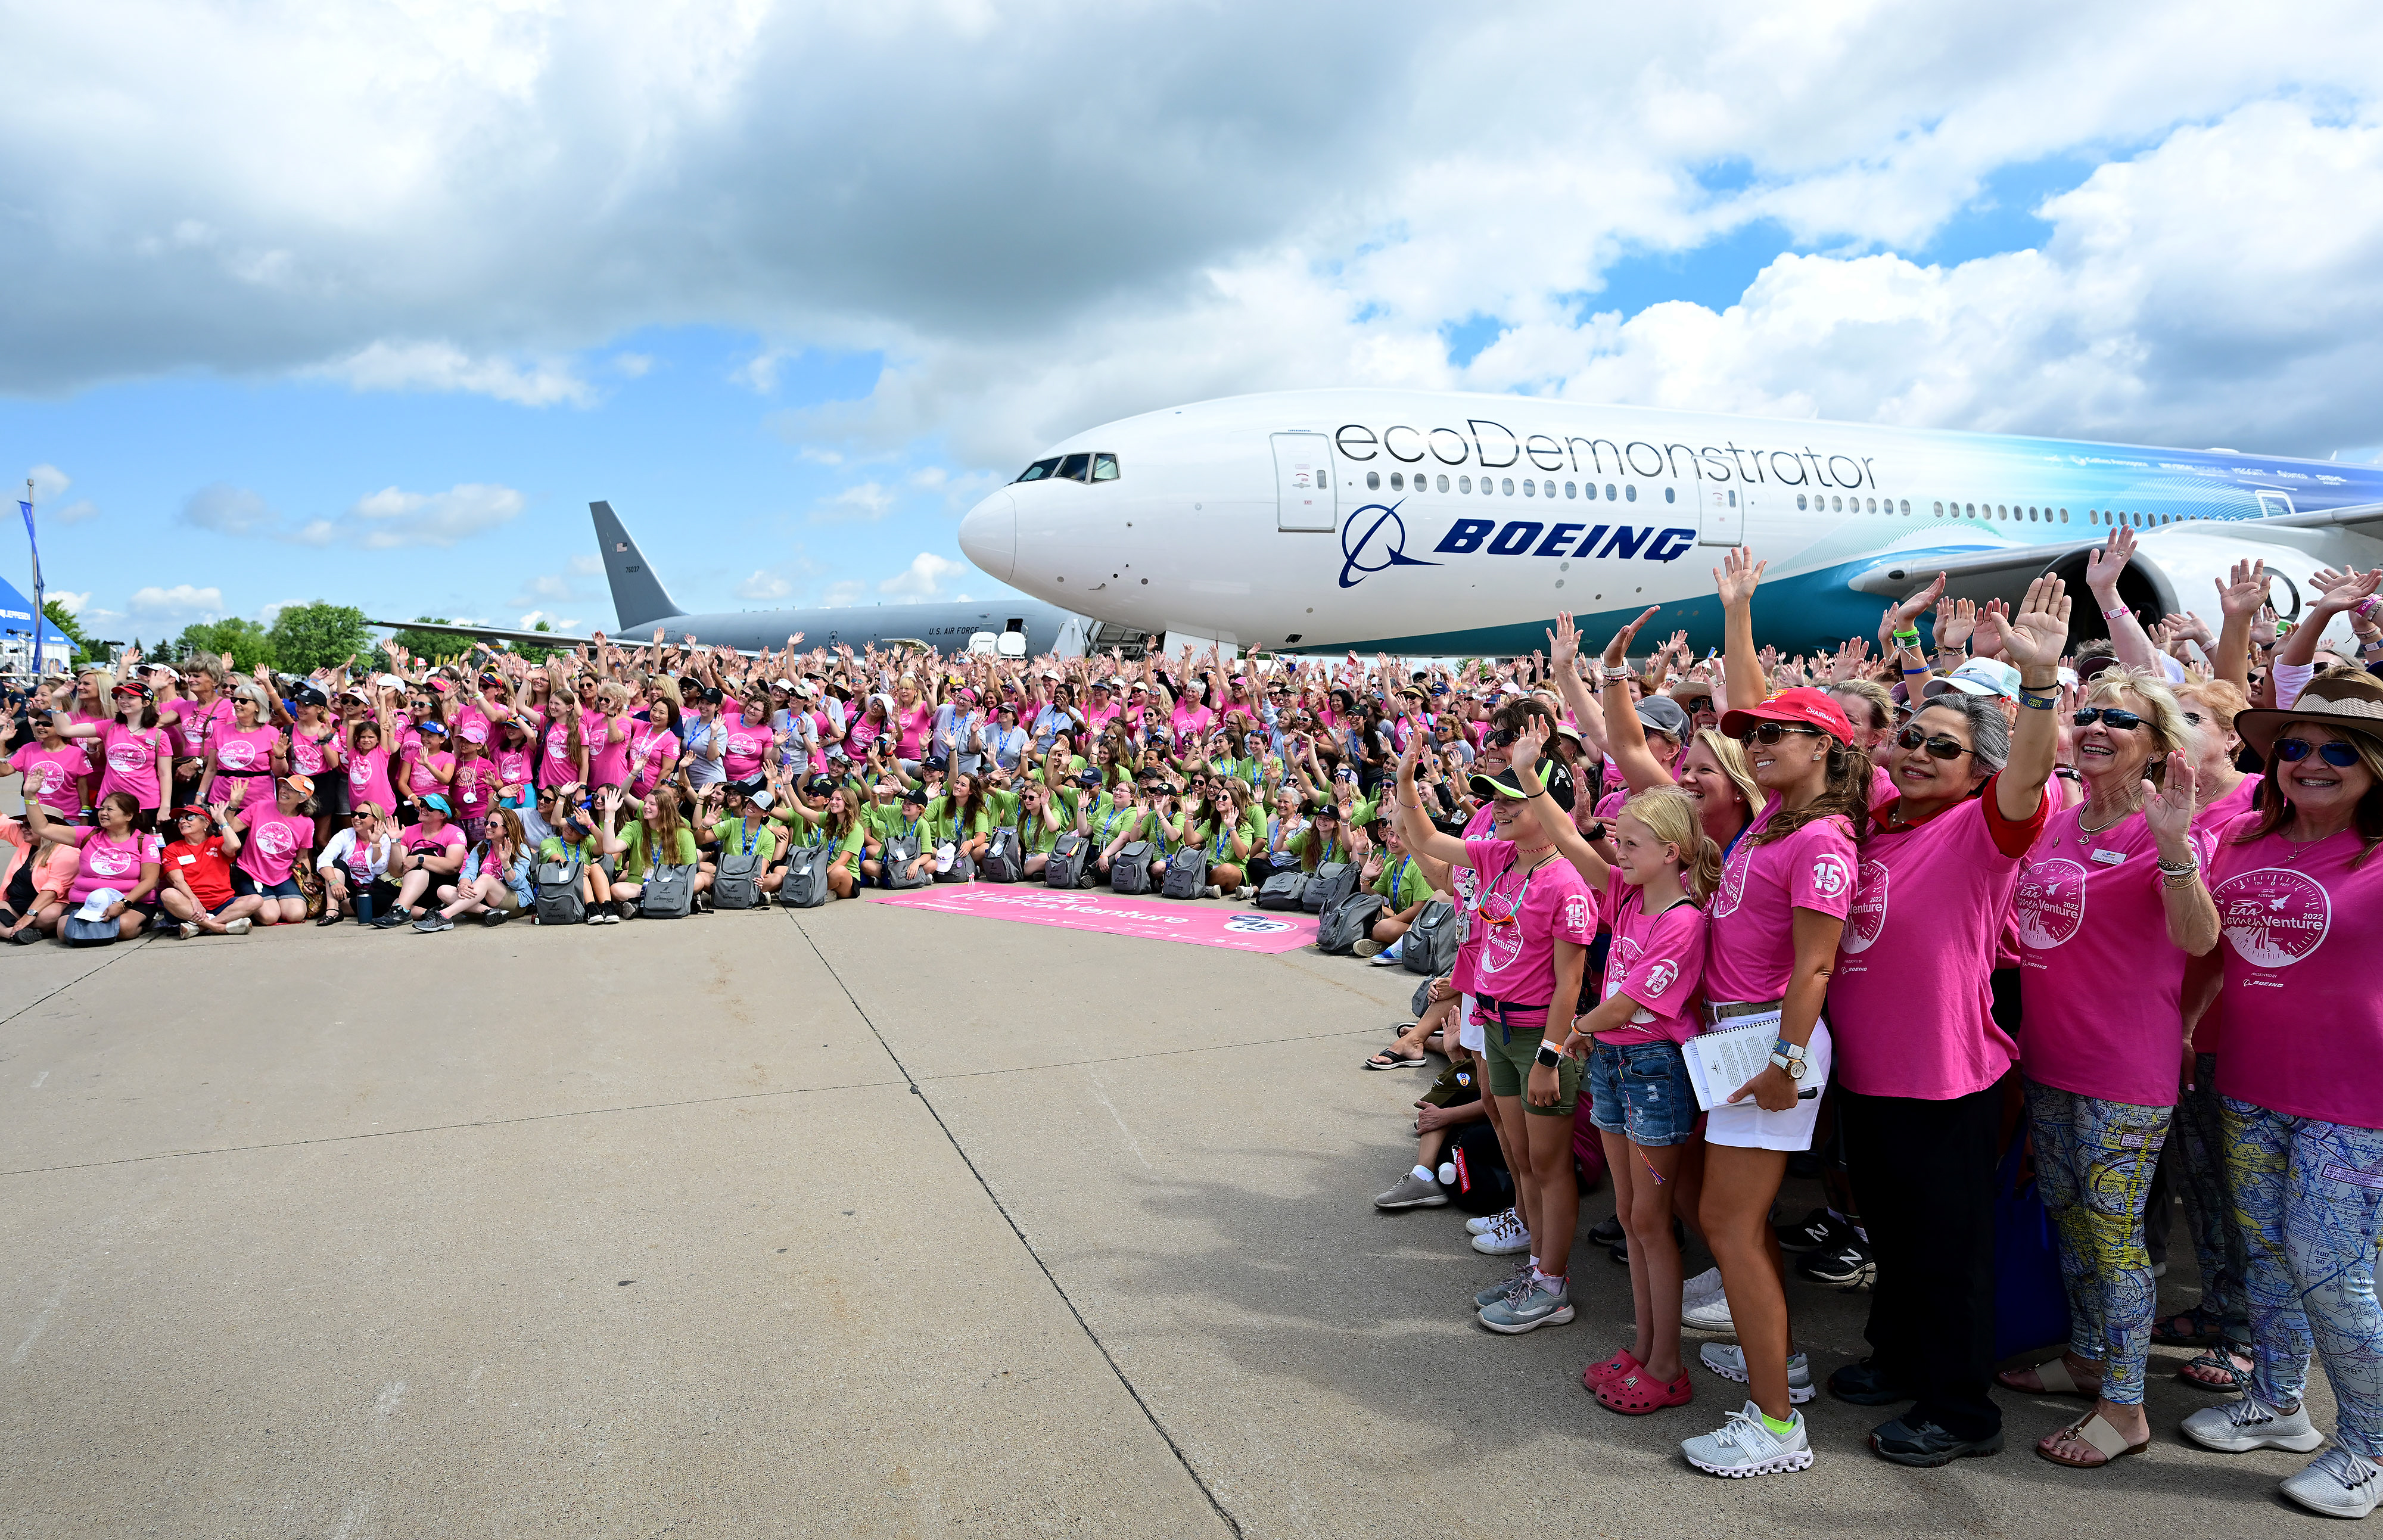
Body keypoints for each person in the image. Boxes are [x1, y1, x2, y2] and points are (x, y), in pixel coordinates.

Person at [1822, 575, 2067, 1466]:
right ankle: (1899, 1358)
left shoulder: (1981, 831)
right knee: (1891, 1234)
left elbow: (2030, 772)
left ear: (1979, 772)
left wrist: (2036, 685)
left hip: (1945, 1080)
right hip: (1869, 1074)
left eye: (1945, 747)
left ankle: (1961, 1411)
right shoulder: (1878, 824)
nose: (1919, 752)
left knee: (1947, 1251)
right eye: (1913, 736)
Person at [1994, 668, 2219, 1467]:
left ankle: (2125, 1406)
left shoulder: (2174, 826)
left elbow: (2198, 940)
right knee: (2068, 1212)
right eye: (2085, 712)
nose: (2095, 726)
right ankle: (2089, 1356)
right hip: (2050, 1057)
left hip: (2127, 1069)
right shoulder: (2061, 814)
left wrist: (2173, 852)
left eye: (2119, 718)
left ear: (2157, 743)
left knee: (2114, 1233)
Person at [2179, 669, 2383, 1518]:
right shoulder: (2247, 843)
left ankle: (2369, 1448)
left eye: (2339, 749)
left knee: (2331, 1271)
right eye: (2294, 746)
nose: (2310, 761)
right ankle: (2278, 1401)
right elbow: (2211, 955)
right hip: (2253, 1084)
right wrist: (2184, 1034)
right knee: (2264, 1254)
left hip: (2356, 1099)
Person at [1513, 724, 1715, 1416]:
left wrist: (1569, 1032)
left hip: (1653, 1069)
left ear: (1671, 851)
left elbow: (1629, 1001)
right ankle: (1644, 1349)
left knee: (1652, 1223)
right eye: (1617, 841)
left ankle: (1667, 1364)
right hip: (1617, 1064)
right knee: (1630, 1215)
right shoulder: (1628, 896)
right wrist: (1531, 777)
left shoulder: (1684, 919)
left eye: (1628, 843)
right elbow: (1570, 842)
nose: (1614, 851)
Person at [1393, 729, 1592, 1336]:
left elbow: (1569, 986)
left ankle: (1554, 1287)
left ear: (1546, 808)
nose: (1497, 807)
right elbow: (1425, 838)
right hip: (1497, 1027)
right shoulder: (1496, 856)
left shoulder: (1565, 881)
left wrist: (1549, 1059)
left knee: (1550, 1167)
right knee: (1524, 1160)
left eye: (1511, 798)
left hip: (1538, 1040)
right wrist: (1405, 783)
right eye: (1494, 798)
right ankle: (1537, 1265)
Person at [156, 802, 260, 937]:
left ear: (206, 823)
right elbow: (177, 881)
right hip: (189, 906)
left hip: (223, 904)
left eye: (190, 817)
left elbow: (235, 845)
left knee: (256, 900)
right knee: (168, 894)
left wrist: (222, 820)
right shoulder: (172, 849)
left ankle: (201, 927)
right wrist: (194, 901)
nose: (183, 821)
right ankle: (219, 928)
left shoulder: (217, 842)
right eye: (180, 819)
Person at [226, 774, 316, 928]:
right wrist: (233, 805)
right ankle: (247, 902)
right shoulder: (260, 806)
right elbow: (230, 828)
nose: (284, 791)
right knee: (270, 917)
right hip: (252, 873)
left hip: (282, 875)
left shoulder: (307, 823)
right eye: (284, 787)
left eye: (291, 790)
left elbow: (303, 857)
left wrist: (309, 879)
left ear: (302, 799)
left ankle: (269, 900)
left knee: (296, 915)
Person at [430, 807, 533, 926]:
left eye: (494, 824)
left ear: (506, 829)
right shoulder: (481, 847)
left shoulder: (521, 849)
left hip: (515, 900)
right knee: (443, 891)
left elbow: (516, 883)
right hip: (484, 899)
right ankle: (489, 912)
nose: (488, 827)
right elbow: (469, 872)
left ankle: (444, 915)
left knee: (485, 879)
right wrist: (463, 884)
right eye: (486, 823)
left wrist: (506, 864)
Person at [385, 792, 468, 930]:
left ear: (443, 815)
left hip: (449, 885)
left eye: (430, 808)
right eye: (423, 804)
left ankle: (402, 910)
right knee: (381, 898)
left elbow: (454, 866)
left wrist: (420, 859)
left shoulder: (455, 832)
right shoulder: (409, 831)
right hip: (420, 886)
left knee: (420, 854)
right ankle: (425, 913)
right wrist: (395, 842)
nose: (423, 808)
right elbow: (396, 871)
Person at [317, 802, 400, 923]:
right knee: (337, 864)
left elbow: (379, 870)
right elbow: (324, 860)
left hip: (373, 889)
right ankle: (333, 910)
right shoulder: (345, 834)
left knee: (383, 900)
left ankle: (349, 907)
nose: (356, 818)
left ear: (376, 820)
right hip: (346, 888)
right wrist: (333, 881)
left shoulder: (385, 839)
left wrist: (376, 844)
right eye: (354, 814)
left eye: (362, 815)